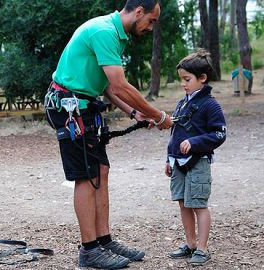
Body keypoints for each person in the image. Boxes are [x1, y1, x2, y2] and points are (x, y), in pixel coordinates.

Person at [44, 1, 172, 269]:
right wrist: (159, 116)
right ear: (139, 11)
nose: (150, 27)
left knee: (100, 171)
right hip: (70, 108)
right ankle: (89, 250)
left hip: (84, 106)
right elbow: (120, 85)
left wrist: (133, 113)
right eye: (151, 21)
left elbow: (107, 86)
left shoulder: (115, 34)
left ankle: (104, 241)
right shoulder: (104, 31)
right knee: (86, 177)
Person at [165, 49, 226, 266]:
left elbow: (219, 134)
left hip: (198, 163)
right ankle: (190, 244)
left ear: (202, 78)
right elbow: (175, 132)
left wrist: (195, 143)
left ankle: (202, 248)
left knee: (199, 204)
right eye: (182, 79)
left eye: (187, 79)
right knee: (183, 203)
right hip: (178, 163)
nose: (183, 84)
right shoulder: (182, 102)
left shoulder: (211, 105)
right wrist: (168, 158)